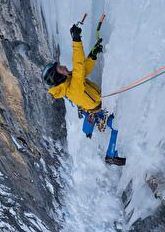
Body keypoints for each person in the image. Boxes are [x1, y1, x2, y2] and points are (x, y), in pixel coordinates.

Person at [42, 24, 126, 166]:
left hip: (96, 107)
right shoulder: (72, 89)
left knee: (113, 126)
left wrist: (92, 55)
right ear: (58, 77)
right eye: (60, 68)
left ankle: (91, 132)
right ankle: (110, 155)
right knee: (117, 127)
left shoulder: (69, 82)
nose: (63, 67)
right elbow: (79, 66)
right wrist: (76, 40)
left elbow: (83, 70)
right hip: (99, 108)